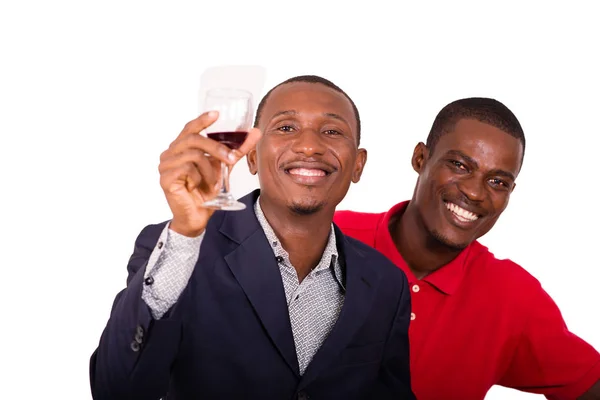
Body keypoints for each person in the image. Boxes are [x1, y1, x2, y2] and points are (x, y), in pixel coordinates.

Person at [89, 75, 415, 399]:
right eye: (286, 127)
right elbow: (116, 390)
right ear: (253, 157)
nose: (309, 145)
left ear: (357, 165)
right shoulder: (178, 249)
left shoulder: (386, 283)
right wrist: (185, 233)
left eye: (332, 131)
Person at [334, 97, 600, 400]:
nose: (475, 192)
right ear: (420, 158)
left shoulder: (513, 297)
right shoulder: (330, 238)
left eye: (497, 181)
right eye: (460, 165)